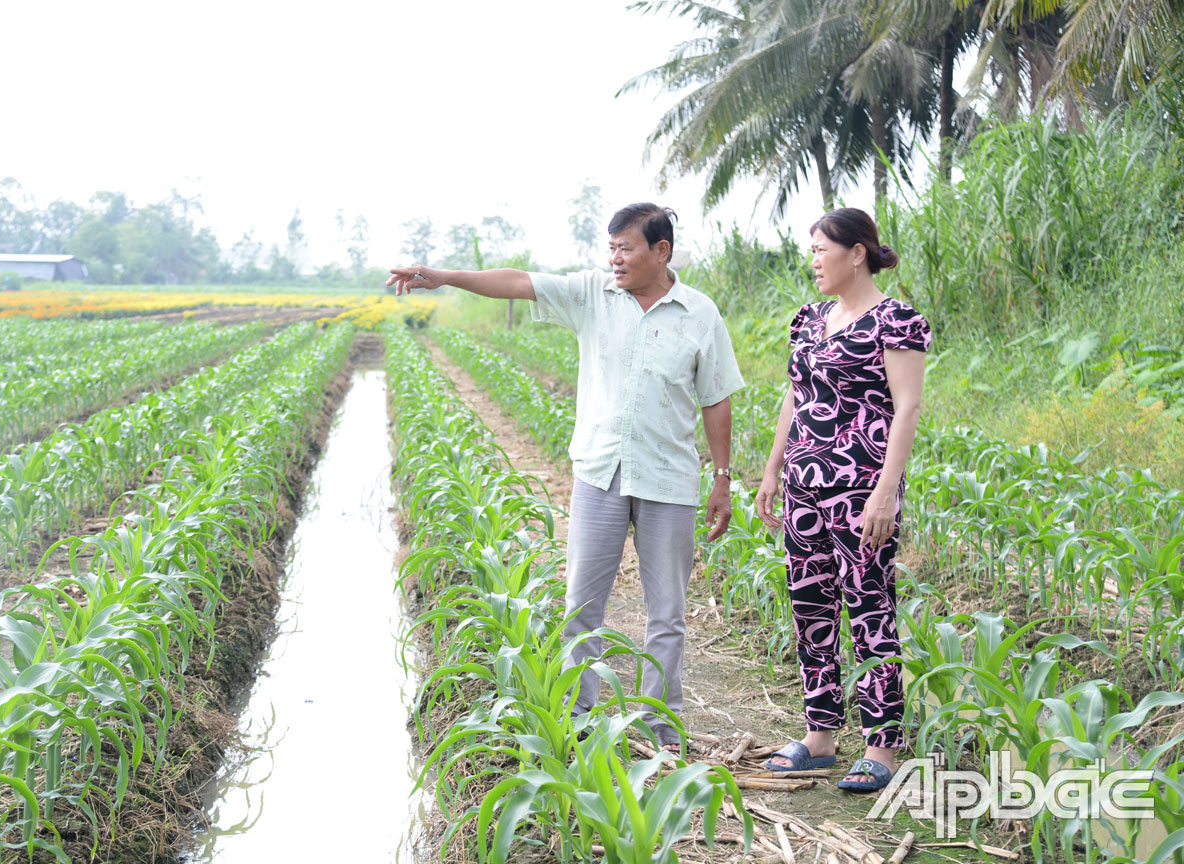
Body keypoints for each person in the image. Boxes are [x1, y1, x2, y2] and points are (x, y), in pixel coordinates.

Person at [388, 203, 744, 756]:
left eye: (626, 247)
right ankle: (580, 718)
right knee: (581, 607)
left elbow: (716, 398)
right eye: (611, 247)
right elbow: (518, 282)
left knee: (667, 612)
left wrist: (721, 477)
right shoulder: (591, 294)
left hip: (668, 479)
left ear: (661, 251)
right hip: (600, 472)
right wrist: (443, 277)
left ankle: (660, 730)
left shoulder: (700, 314)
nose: (615, 257)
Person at [754, 207, 930, 792]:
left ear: (857, 253)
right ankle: (821, 736)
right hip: (804, 487)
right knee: (811, 609)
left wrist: (885, 491)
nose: (814, 261)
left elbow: (906, 408)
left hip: (861, 490)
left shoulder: (895, 320)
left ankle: (883, 746)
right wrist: (773, 468)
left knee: (870, 608)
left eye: (821, 249)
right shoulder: (810, 318)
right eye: (811, 250)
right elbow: (796, 397)